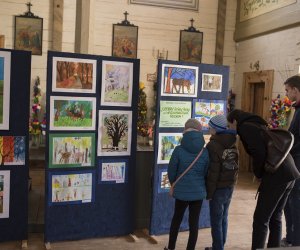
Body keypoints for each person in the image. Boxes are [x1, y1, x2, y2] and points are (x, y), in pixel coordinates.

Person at [227, 109, 300, 250]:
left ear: (235, 121)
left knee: (261, 219)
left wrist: (259, 173)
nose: (230, 129)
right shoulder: (256, 123)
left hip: (278, 174)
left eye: (230, 125)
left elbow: (258, 152)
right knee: (275, 217)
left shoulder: (244, 127)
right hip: (289, 170)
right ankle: (274, 247)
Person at [165, 118, 209, 250]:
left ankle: (171, 247)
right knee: (194, 223)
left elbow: (171, 171)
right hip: (198, 192)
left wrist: (175, 184)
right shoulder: (205, 152)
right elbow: (206, 172)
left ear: (185, 131)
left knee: (176, 220)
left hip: (182, 192)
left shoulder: (178, 150)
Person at [205, 115, 239, 250]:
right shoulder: (233, 141)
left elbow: (213, 172)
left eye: (210, 127)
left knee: (216, 221)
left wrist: (210, 193)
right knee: (224, 218)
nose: (208, 129)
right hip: (229, 186)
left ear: (215, 129)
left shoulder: (212, 145)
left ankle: (217, 248)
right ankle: (220, 246)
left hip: (218, 188)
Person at [282, 75, 300, 246]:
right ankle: (291, 236)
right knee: (290, 200)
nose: (286, 94)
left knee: (295, 201)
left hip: (297, 162)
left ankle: (295, 239)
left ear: (295, 89)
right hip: (295, 160)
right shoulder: (297, 108)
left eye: (288, 90)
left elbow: (295, 137)